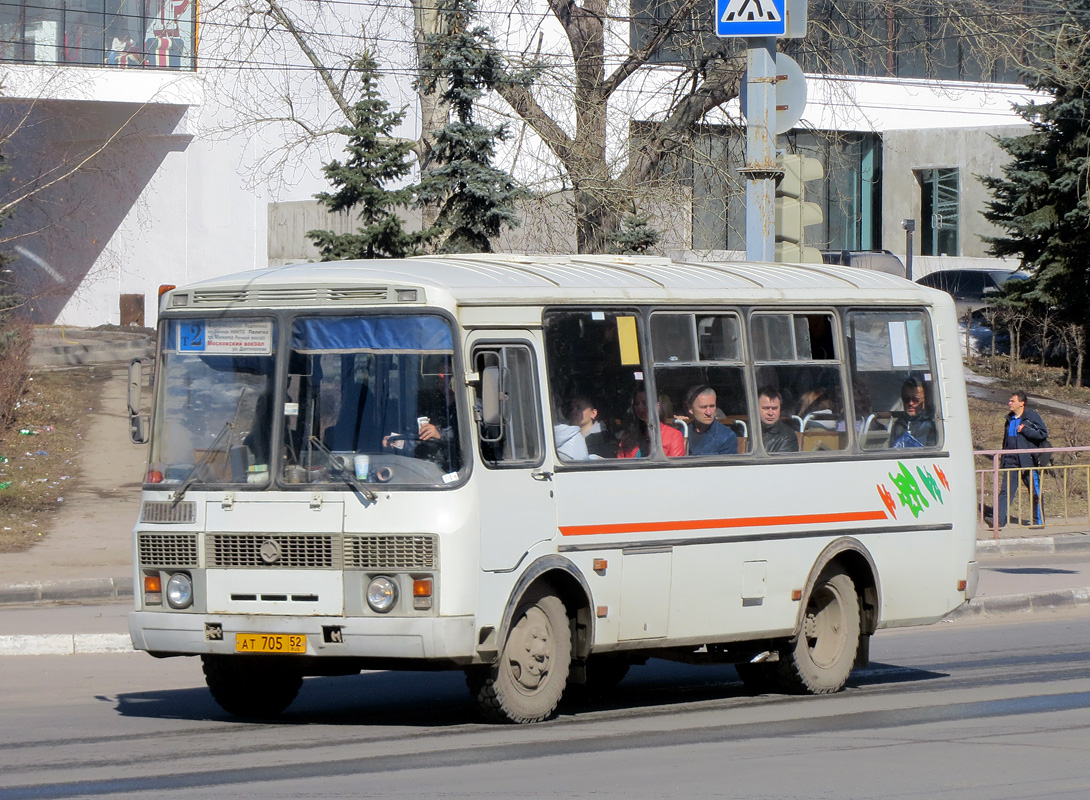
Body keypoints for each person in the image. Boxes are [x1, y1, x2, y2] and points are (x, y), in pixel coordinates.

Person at [996, 390, 1048, 527]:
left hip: (1027, 461)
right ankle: (999, 522)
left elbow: (1043, 434)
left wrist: (1025, 430)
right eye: (1010, 401)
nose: (1009, 403)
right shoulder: (1009, 419)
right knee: (1005, 491)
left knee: (1035, 491)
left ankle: (1038, 521)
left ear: (1022, 403)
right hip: (1010, 460)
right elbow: (1005, 441)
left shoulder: (1031, 416)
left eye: (1012, 401)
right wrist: (1004, 458)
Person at [618, 388, 685, 458]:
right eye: (637, 404)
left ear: (657, 406)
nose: (640, 408)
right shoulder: (628, 435)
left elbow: (674, 467)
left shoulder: (674, 435)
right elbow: (621, 462)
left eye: (645, 403)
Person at [683, 385, 737, 456]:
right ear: (690, 409)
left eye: (712, 406)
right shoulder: (682, 433)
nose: (709, 412)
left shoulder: (726, 437)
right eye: (703, 407)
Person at [889, 376, 938, 448]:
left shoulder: (932, 424)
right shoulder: (899, 425)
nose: (910, 403)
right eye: (906, 399)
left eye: (916, 399)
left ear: (925, 400)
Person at [757, 386, 798, 453]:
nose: (770, 413)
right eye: (766, 408)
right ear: (756, 408)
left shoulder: (787, 436)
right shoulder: (746, 431)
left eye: (774, 408)